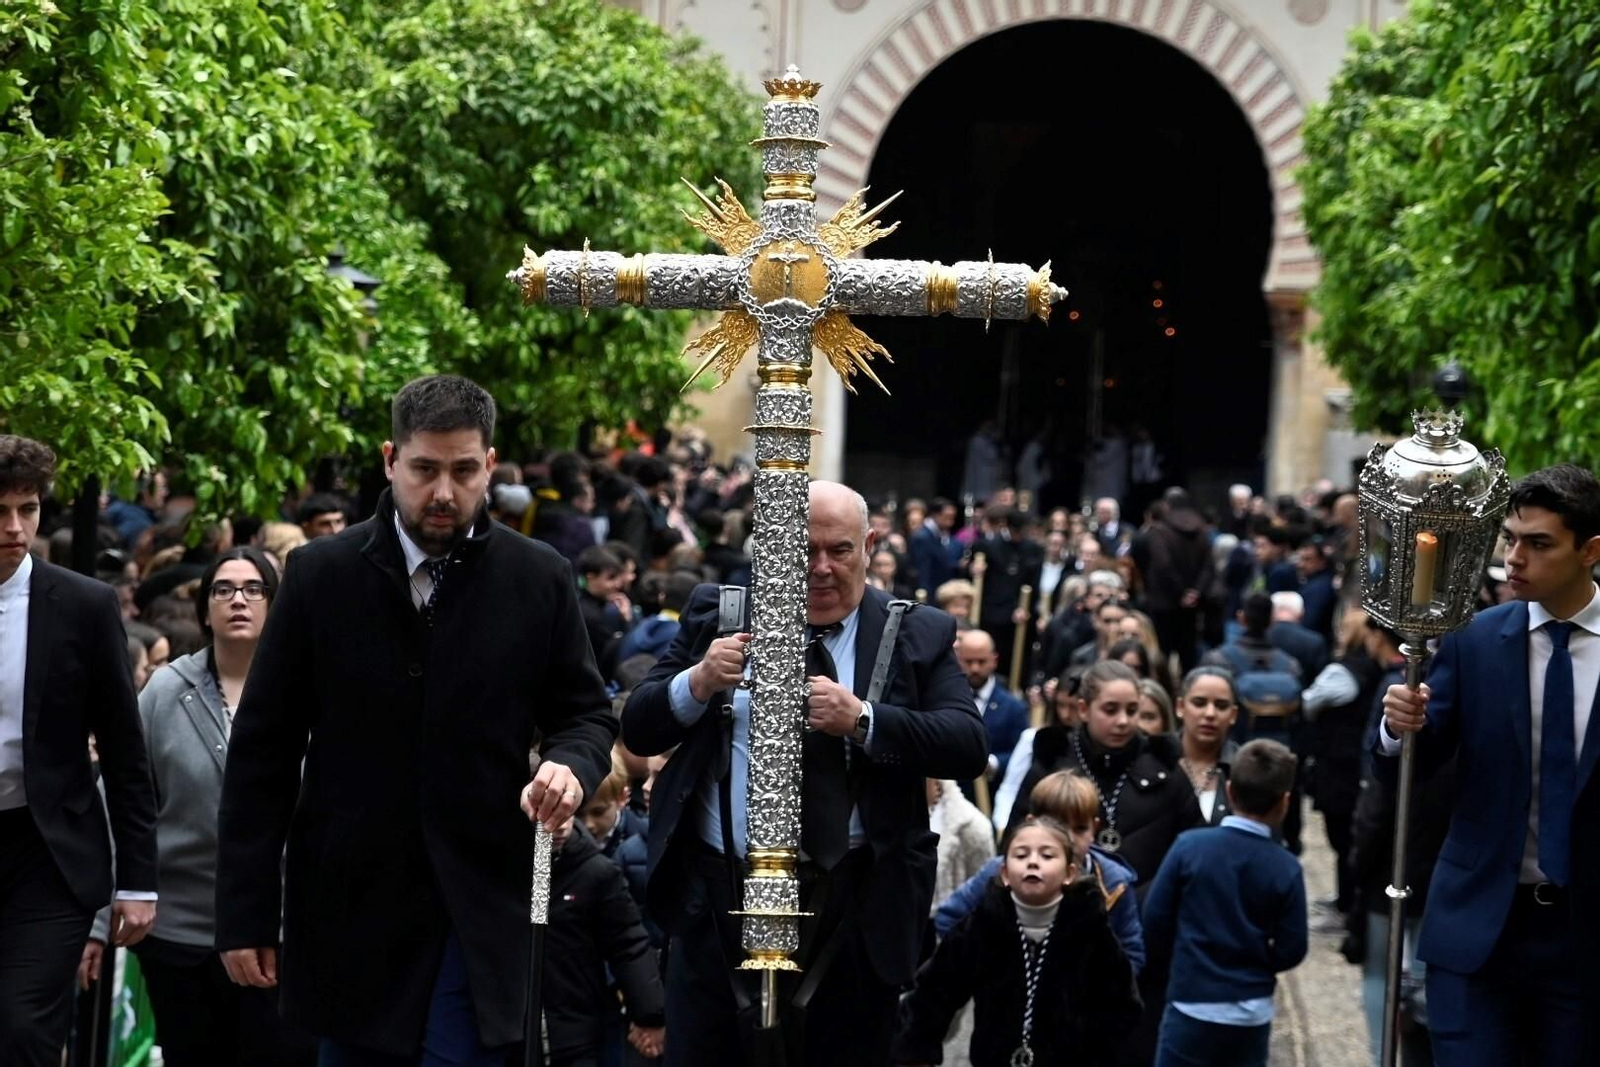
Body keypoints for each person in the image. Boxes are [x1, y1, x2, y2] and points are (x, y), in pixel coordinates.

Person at [214, 375, 618, 1064]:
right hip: (350, 907)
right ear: (389, 460)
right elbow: (264, 754)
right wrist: (245, 911)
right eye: (425, 468)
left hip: (482, 901)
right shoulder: (320, 575)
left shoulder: (538, 575)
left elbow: (584, 713)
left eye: (463, 471)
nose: (443, 491)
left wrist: (570, 767)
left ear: (490, 466)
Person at [621, 480, 985, 1066]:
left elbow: (967, 744)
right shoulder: (720, 614)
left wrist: (864, 719)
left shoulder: (917, 631)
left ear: (869, 545)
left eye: (838, 551)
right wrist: (699, 681)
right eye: (800, 551)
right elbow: (638, 727)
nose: (819, 569)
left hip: (855, 915)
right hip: (717, 905)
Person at [1378, 464, 1600, 1065]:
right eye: (1510, 539)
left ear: (1590, 551)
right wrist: (1399, 726)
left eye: (1539, 543)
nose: (1515, 557)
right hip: (1479, 931)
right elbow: (1412, 765)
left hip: (1582, 943)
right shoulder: (1473, 639)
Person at [92, 547, 315, 1066]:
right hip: (180, 931)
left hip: (282, 930)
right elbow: (121, 802)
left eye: (254, 589)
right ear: (205, 606)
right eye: (223, 589)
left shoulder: (311, 689)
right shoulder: (165, 691)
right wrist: (99, 922)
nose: (238, 600)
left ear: (276, 603)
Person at [0, 435, 159, 1065]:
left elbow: (124, 749)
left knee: (22, 1028)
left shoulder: (83, 606)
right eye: (0, 511)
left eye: (28, 509)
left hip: (49, 854)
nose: (15, 528)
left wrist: (140, 881)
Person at [893, 817, 1141, 1067]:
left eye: (1047, 856)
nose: (1033, 862)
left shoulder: (1089, 928)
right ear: (1004, 873)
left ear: (1069, 873)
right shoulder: (984, 924)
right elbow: (934, 992)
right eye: (1021, 855)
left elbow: (1121, 1004)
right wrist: (916, 1049)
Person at [1143, 739, 1308, 1067]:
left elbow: (1154, 917)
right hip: (1250, 1008)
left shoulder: (1189, 847)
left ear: (1229, 791)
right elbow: (1294, 947)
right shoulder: (1286, 867)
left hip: (1191, 999)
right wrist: (1260, 961)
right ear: (1284, 803)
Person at [938, 771, 1145, 976]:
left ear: (1095, 828)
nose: (1070, 839)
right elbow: (949, 918)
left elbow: (1131, 954)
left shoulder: (1112, 883)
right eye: (1058, 827)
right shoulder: (1004, 872)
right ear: (1031, 822)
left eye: (1080, 829)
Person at [544, 817, 665, 1067]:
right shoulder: (504, 875)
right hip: (509, 1032)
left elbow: (627, 945)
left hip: (576, 1032)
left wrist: (650, 1015)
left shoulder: (595, 872)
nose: (558, 824)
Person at [955, 629, 1028, 788]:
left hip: (993, 793)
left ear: (994, 660)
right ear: (959, 660)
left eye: (981, 661)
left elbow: (1022, 755)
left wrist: (992, 763)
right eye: (968, 661)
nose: (974, 668)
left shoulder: (1013, 708)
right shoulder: (947, 700)